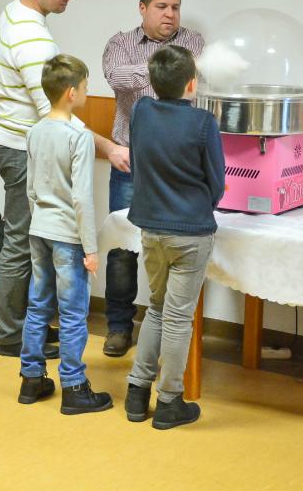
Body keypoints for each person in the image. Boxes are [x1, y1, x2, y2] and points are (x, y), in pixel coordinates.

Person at [0, 0, 127, 357]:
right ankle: (13, 336)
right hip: (20, 147)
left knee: (30, 240)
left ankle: (27, 330)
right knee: (21, 241)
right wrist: (108, 147)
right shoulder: (32, 39)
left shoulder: (15, 12)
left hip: (12, 139)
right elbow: (53, 110)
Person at [100, 0, 205, 357]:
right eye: (161, 6)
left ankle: (168, 331)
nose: (170, 14)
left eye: (175, 7)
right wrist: (164, 68)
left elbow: (200, 81)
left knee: (178, 248)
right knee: (122, 249)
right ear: (143, 8)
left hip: (180, 165)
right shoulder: (120, 44)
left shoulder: (194, 42)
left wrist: (169, 68)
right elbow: (116, 78)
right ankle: (118, 327)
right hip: (131, 160)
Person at [123, 45, 225, 430]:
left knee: (156, 308)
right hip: (190, 230)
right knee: (179, 318)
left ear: (152, 82)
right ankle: (168, 402)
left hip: (150, 228)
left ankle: (137, 392)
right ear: (192, 84)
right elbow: (217, 181)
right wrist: (203, 205)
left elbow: (137, 162)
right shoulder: (203, 122)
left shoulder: (141, 111)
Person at [18, 54, 113, 415]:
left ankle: (31, 379)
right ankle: (74, 387)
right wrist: (91, 248)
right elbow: (81, 198)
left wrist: (40, 222)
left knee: (38, 304)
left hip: (39, 228)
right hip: (68, 236)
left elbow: (30, 188)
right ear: (72, 92)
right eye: (86, 86)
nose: (88, 91)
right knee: (73, 312)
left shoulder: (35, 131)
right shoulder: (79, 137)